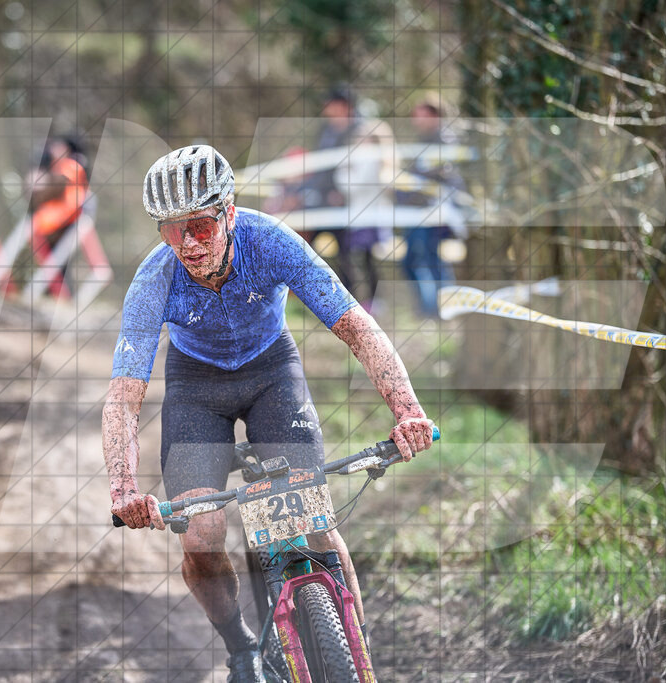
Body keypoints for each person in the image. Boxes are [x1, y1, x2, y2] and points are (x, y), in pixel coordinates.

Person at [103, 144, 433, 682]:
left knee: (312, 519)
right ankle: (241, 648)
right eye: (170, 230)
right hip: (196, 388)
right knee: (201, 536)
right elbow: (124, 392)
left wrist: (408, 411)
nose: (186, 244)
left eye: (201, 228)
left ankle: (355, 653)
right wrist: (123, 488)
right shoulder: (153, 280)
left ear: (229, 212)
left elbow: (356, 326)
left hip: (271, 373)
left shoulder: (272, 242)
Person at [310, 87, 395, 313]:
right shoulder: (327, 131)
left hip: (361, 214)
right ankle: (353, 301)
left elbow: (351, 182)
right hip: (349, 211)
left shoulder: (367, 151)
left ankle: (368, 302)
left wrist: (343, 175)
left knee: (364, 260)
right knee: (351, 257)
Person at [398, 96, 464, 318]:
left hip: (433, 212)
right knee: (415, 260)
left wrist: (413, 183)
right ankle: (429, 310)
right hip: (416, 212)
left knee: (430, 259)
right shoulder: (422, 140)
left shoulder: (445, 141)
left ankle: (443, 310)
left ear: (435, 115)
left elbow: (442, 176)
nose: (417, 119)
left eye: (422, 114)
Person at [24, 134, 89, 297]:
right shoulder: (59, 168)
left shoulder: (71, 167)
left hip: (64, 222)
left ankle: (61, 295)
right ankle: (57, 295)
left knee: (60, 264)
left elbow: (57, 186)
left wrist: (41, 181)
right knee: (54, 264)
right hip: (53, 223)